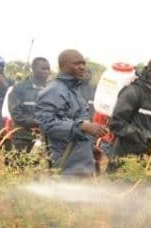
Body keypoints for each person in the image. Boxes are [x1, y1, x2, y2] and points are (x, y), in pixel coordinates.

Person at [35, 49, 108, 177]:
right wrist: (82, 126)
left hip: (82, 162)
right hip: (65, 164)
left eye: (83, 63)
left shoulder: (74, 90)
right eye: (76, 63)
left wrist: (90, 148)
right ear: (63, 66)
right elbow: (47, 124)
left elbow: (77, 120)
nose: (82, 67)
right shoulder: (54, 91)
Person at [107, 56, 151, 168]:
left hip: (149, 158)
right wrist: (148, 137)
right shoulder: (133, 92)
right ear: (150, 71)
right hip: (125, 157)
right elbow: (116, 124)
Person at [7, 57, 51, 153]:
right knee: (21, 166)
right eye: (43, 69)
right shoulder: (19, 89)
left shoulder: (52, 90)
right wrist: (35, 122)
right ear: (34, 69)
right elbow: (16, 114)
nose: (47, 71)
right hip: (23, 138)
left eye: (48, 69)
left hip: (46, 138)